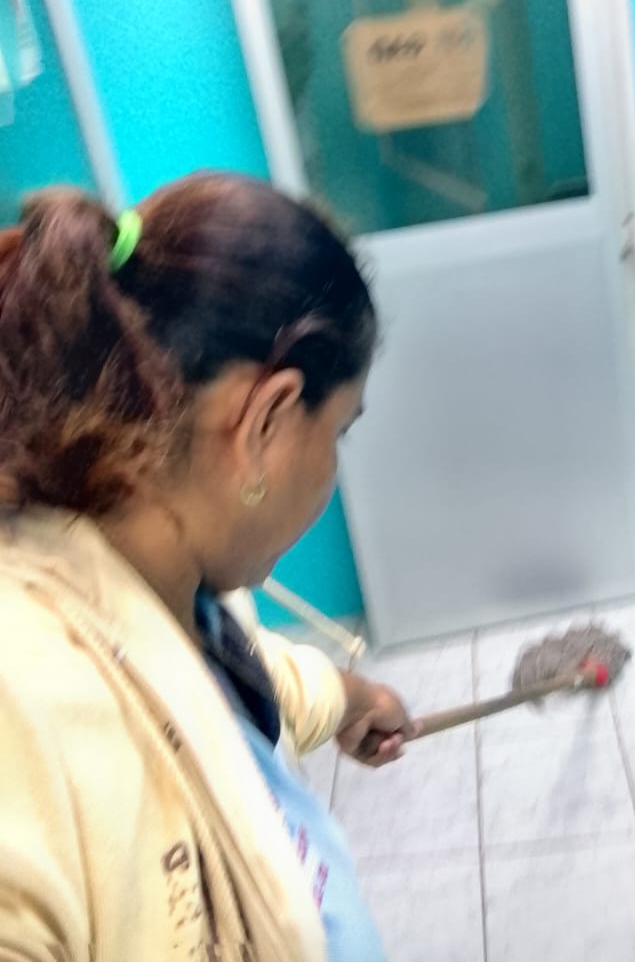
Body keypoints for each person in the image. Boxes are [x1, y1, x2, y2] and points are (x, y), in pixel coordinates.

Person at [0, 172, 416, 961]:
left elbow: (216, 687)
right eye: (338, 432)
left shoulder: (152, 573)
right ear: (266, 421)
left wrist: (350, 698)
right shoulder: (26, 704)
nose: (332, 468)